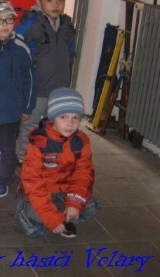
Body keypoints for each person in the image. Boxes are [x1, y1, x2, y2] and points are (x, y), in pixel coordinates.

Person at [14, 87, 100, 238]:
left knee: (91, 206)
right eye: (63, 117)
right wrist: (51, 218)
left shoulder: (81, 141)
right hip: (39, 192)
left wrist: (74, 203)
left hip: (64, 191)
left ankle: (61, 216)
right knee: (36, 230)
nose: (70, 124)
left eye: (75, 118)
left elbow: (84, 175)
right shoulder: (39, 143)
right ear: (52, 118)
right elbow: (32, 181)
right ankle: (26, 208)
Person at [14, 0, 76, 165]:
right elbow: (18, 54)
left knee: (55, 126)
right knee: (29, 125)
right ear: (38, 1)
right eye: (49, 0)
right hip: (36, 89)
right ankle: (23, 159)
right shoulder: (30, 25)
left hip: (59, 89)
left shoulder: (67, 25)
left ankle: (49, 158)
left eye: (60, 0)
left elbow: (71, 53)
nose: (56, 5)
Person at [0, 0, 35, 198]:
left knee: (7, 149)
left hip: (11, 112)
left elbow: (29, 80)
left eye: (9, 20)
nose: (4, 25)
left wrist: (27, 107)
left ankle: (3, 179)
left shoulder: (21, 48)